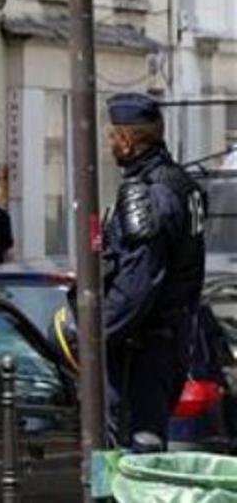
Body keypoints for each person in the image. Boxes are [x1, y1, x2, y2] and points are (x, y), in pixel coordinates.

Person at [101, 93, 206, 448]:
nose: (109, 142)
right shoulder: (180, 183)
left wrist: (92, 333)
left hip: (141, 349)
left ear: (128, 141)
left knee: (134, 455)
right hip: (170, 339)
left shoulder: (148, 195)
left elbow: (137, 283)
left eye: (113, 135)